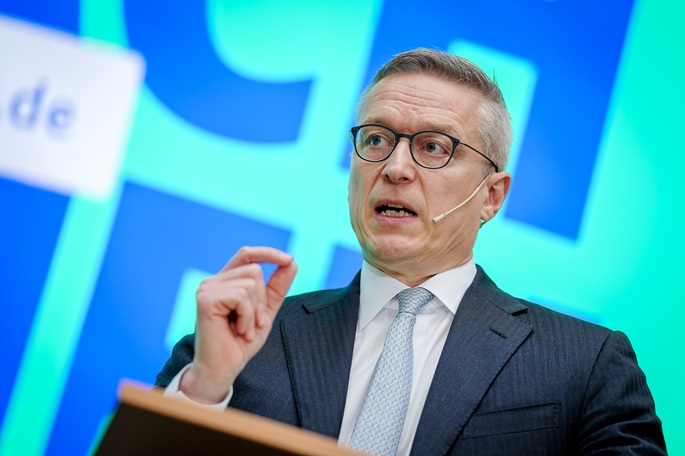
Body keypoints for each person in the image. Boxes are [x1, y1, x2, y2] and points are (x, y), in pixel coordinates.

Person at [156, 48, 666, 455]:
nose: (396, 168)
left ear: (492, 196)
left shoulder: (586, 364)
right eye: (377, 139)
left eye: (434, 147)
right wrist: (205, 389)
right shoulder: (233, 345)